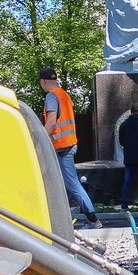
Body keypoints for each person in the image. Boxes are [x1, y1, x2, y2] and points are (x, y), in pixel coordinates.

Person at [38, 67, 102, 229]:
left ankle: (93, 220)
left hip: (61, 147)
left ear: (43, 81)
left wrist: (40, 140)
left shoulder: (51, 96)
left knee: (73, 184)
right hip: (68, 144)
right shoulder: (64, 95)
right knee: (62, 183)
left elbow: (51, 122)